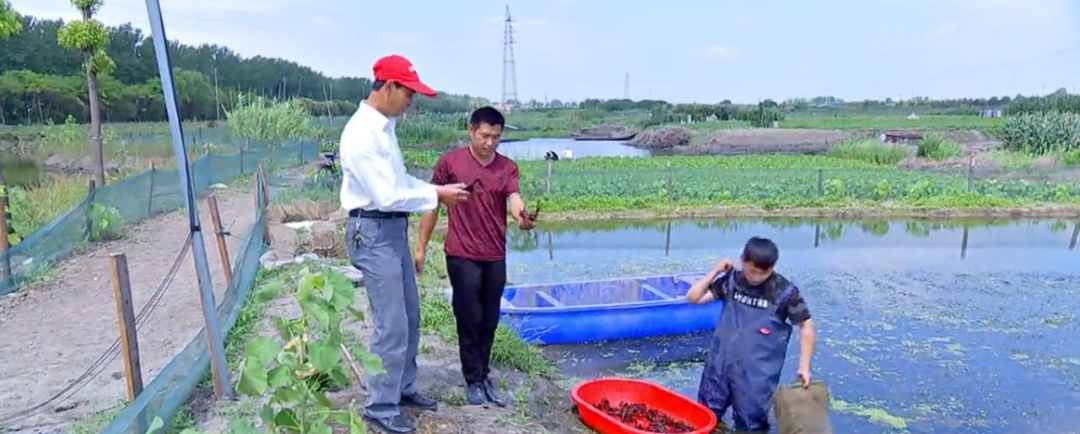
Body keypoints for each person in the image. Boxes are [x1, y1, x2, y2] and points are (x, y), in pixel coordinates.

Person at [340, 54, 471, 434]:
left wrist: (435, 190)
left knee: (410, 316)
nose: (412, 100)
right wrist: (437, 196)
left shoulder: (385, 126)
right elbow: (387, 195)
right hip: (374, 231)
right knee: (391, 324)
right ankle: (380, 406)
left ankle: (403, 387)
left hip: (391, 231)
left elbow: (400, 182)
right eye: (409, 92)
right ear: (389, 87)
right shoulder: (363, 133)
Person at [415, 106, 535, 407]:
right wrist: (421, 247)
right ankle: (472, 379)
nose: (490, 142)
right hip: (461, 252)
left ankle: (483, 374)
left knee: (490, 318)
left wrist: (522, 216)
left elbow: (514, 199)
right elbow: (432, 204)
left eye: (496, 136)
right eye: (485, 135)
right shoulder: (450, 162)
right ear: (471, 131)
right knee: (469, 317)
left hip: (494, 253)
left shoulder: (507, 167)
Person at [684, 236, 816, 433]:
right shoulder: (731, 281)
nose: (756, 277)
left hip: (756, 376)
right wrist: (716, 271)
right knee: (705, 417)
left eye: (764, 273)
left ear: (773, 267)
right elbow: (693, 297)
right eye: (752, 270)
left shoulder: (783, 291)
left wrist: (804, 367)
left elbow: (805, 327)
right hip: (719, 367)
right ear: (743, 261)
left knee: (751, 426)